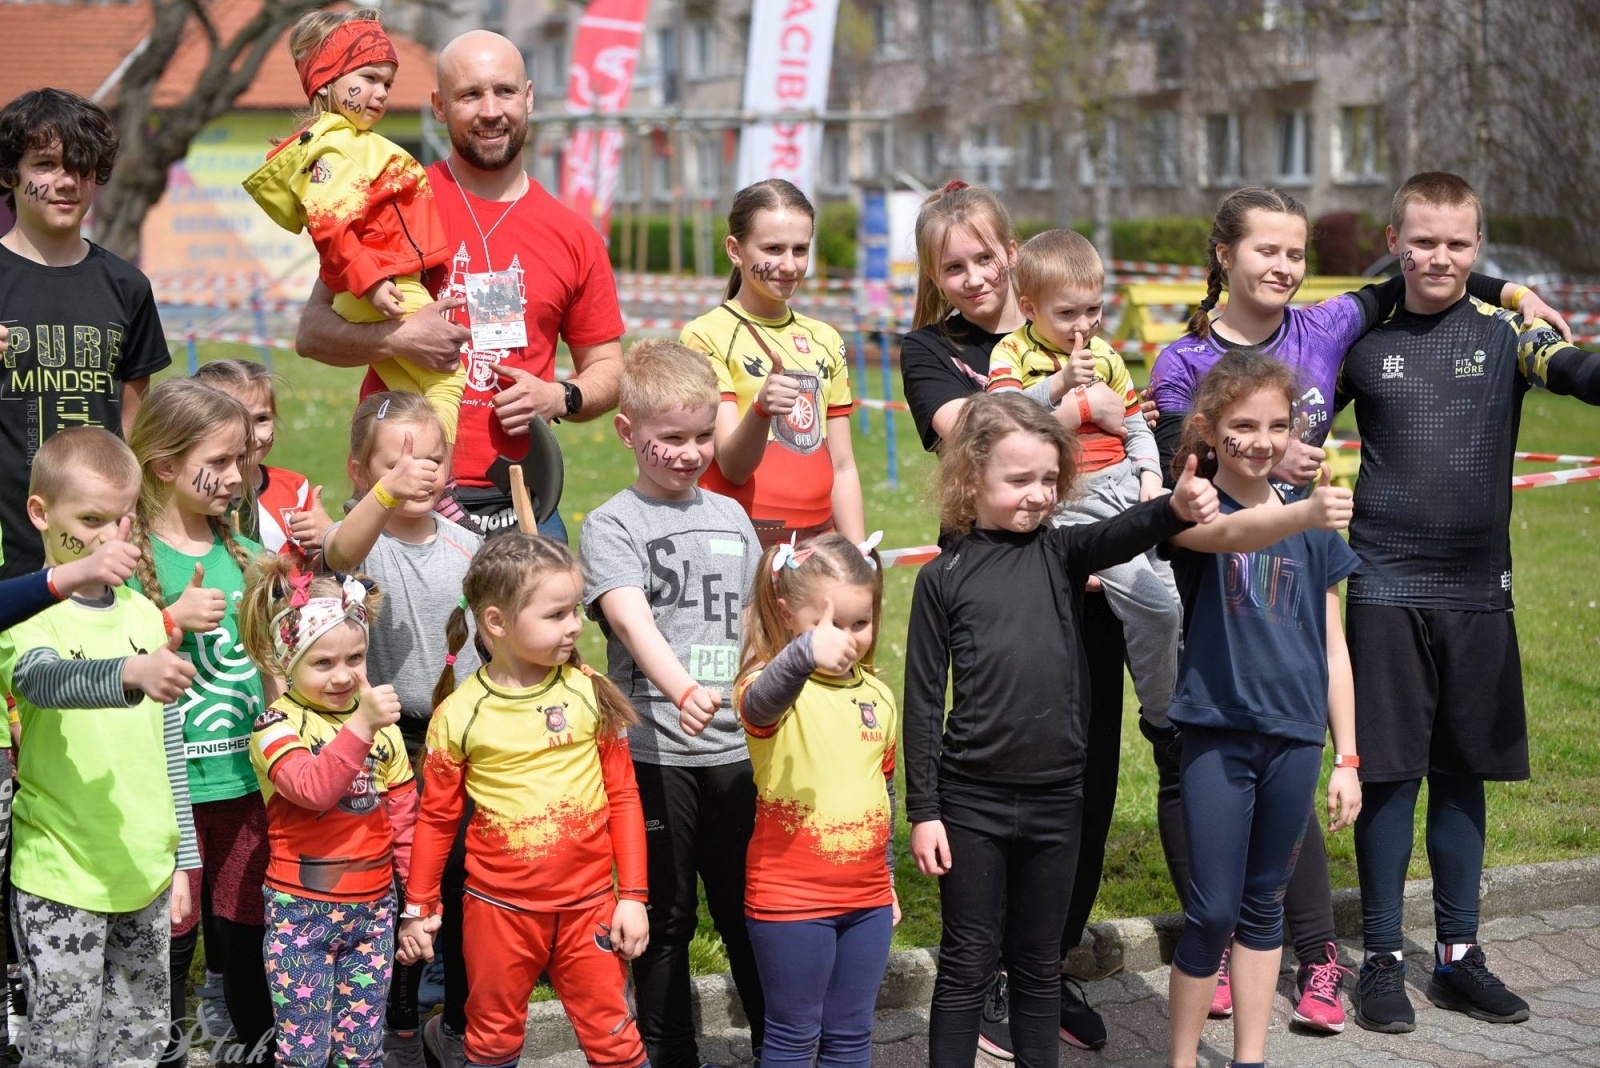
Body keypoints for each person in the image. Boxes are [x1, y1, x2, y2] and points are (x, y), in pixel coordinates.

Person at [1146, 184, 1572, 1030]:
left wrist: (1515, 292)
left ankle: (1394, 955)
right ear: (1223, 255)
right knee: (1264, 760)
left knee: (1373, 763)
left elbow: (1432, 276)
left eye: (1295, 253)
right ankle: (1279, 949)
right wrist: (1257, 464)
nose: (1283, 266)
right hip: (1261, 583)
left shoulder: (1336, 325)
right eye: (1266, 249)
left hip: (1383, 579)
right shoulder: (1198, 359)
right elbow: (1179, 484)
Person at [1338, 172, 1600, 1034]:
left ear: (1477, 246)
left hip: (1478, 593)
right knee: (1388, 779)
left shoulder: (1504, 335)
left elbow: (1567, 367)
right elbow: (1285, 409)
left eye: (1457, 242)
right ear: (1394, 239)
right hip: (1380, 584)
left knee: (1461, 777)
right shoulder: (1360, 337)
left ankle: (1456, 958)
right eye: (1423, 240)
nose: (1439, 256)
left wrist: (1524, 306)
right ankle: (1379, 959)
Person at [902, 392, 1219, 1068]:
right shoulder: (942, 579)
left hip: (1055, 801)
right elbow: (923, 702)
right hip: (972, 804)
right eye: (1019, 480)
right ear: (970, 480)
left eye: (1050, 480)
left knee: (1041, 967)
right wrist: (924, 812)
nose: (1039, 495)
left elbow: (1122, 532)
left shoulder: (1065, 553)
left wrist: (1174, 506)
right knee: (966, 964)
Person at [897, 180, 1131, 1053]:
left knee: (1087, 772)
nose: (971, 277)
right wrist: (1080, 409)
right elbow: (980, 436)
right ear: (933, 274)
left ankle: (1048, 960)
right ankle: (986, 976)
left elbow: (1122, 410)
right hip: (993, 585)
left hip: (1084, 569)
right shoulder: (930, 350)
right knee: (994, 758)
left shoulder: (1065, 323)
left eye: (985, 257)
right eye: (951, 265)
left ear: (1013, 255)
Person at [295, 30, 624, 542]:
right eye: (470, 95)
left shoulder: (574, 234)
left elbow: (609, 369)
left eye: (505, 92)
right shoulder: (391, 199)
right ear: (439, 107)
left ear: (530, 97)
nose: (491, 110)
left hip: (521, 497)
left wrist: (561, 395)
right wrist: (395, 340)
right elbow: (312, 331)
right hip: (401, 496)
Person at [1161, 349, 1361, 1068]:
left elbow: (1334, 649)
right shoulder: (1193, 503)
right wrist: (1304, 511)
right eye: (1243, 424)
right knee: (1211, 911)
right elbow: (1227, 537)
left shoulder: (1315, 522)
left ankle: (1250, 1058)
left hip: (1296, 738)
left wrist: (1348, 758)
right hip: (1217, 732)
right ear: (1210, 429)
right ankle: (1182, 1058)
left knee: (1261, 909)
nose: (1262, 439)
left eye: (1278, 425)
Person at [579, 340, 765, 1068]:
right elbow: (630, 618)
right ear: (627, 432)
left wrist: (765, 681)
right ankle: (667, 1052)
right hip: (655, 754)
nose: (690, 453)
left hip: (738, 751)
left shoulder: (731, 515)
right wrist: (681, 687)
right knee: (664, 918)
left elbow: (757, 620)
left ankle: (777, 1043)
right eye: (671, 438)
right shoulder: (613, 524)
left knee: (750, 909)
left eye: (702, 435)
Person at [399, 534, 650, 1068]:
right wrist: (420, 909)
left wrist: (632, 896)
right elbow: (437, 820)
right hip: (498, 915)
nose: (576, 625)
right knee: (490, 1044)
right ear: (497, 622)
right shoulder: (459, 713)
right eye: (556, 614)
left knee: (617, 1044)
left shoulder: (591, 692)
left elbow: (625, 798)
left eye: (575, 609)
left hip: (591, 912)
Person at [0, 427, 199, 1068]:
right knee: (62, 1048)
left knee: (138, 1044)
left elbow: (169, 747)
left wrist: (180, 859)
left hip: (142, 873)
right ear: (40, 514)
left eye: (121, 520)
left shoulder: (144, 614)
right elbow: (43, 680)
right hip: (61, 878)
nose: (109, 538)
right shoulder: (29, 614)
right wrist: (125, 675)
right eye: (89, 520)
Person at [321, 391, 482, 1063]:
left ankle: (462, 1015)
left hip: (462, 741)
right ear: (361, 471)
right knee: (394, 882)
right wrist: (383, 499)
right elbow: (336, 551)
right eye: (395, 464)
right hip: (388, 741)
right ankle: (395, 1014)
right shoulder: (364, 545)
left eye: (432, 460)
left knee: (458, 881)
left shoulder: (470, 546)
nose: (417, 474)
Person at [125, 380, 275, 1065]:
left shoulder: (245, 555)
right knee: (169, 950)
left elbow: (271, 666)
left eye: (242, 458)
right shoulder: (129, 561)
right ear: (163, 466)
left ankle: (255, 1051)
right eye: (220, 461)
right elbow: (108, 664)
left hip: (245, 795)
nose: (238, 476)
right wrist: (168, 623)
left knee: (244, 946)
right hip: (165, 802)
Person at [986, 228, 1182, 735]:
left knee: (1178, 604)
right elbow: (1004, 420)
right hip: (1076, 499)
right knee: (1157, 612)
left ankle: (1178, 706)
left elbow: (1135, 422)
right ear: (1029, 307)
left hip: (1127, 486)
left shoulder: (1108, 354)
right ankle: (1165, 724)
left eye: (1093, 310)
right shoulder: (1011, 354)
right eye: (1068, 314)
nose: (1085, 326)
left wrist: (1151, 476)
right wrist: (1063, 388)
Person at [243, 8, 460, 438]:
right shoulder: (332, 150)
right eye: (370, 79)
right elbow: (331, 228)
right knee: (449, 379)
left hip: (378, 288)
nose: (381, 94)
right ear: (326, 81)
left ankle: (414, 471)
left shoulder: (353, 143)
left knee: (414, 397)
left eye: (388, 84)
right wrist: (373, 282)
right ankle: (440, 479)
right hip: (386, 289)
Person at [237, 558, 418, 1068]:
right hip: (302, 912)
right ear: (289, 661)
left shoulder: (380, 727)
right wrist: (361, 726)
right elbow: (312, 789)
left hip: (374, 910)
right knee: (304, 1053)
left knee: (361, 1052)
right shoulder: (276, 724)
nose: (343, 676)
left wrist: (418, 909)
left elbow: (404, 823)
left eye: (355, 659)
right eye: (323, 663)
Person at [734, 532, 898, 1068]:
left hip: (868, 898)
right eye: (826, 625)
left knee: (852, 1036)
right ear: (785, 615)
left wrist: (889, 879)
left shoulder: (877, 694)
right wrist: (804, 652)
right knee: (793, 1037)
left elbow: (885, 788)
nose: (846, 640)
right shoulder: (769, 683)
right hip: (790, 901)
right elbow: (759, 707)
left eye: (859, 622)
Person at [0, 88, 171, 580]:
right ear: (11, 173)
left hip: (100, 547)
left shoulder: (127, 286)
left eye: (82, 166)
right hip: (8, 543)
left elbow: (131, 430)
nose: (67, 181)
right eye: (46, 164)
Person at [680, 178, 864, 547]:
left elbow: (843, 467)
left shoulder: (825, 339)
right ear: (735, 249)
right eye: (773, 249)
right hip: (738, 543)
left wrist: (859, 552)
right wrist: (761, 410)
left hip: (816, 545)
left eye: (800, 250)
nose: (789, 265)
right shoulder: (705, 335)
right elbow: (732, 466)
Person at [193, 360, 332, 562]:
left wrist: (328, 537)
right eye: (238, 420)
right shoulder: (192, 500)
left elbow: (316, 568)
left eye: (261, 419)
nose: (252, 436)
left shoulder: (295, 489)